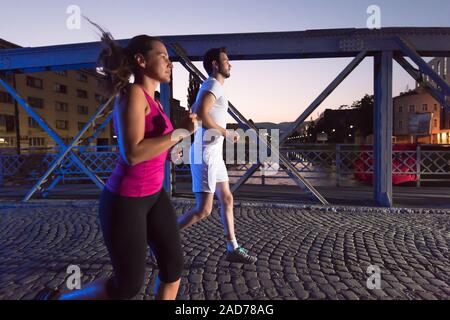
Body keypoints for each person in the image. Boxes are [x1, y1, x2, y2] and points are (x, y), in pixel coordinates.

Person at [35, 25, 197, 300]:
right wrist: (179, 133)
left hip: (155, 195)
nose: (170, 63)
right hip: (126, 201)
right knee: (126, 287)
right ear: (141, 61)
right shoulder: (133, 94)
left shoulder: (157, 103)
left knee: (173, 268)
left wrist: (179, 143)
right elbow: (132, 154)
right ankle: (59, 299)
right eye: (162, 55)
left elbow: (161, 150)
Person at [177, 48, 257, 264]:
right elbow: (202, 115)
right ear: (215, 64)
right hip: (205, 155)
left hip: (213, 153)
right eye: (226, 61)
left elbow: (195, 111)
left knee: (227, 198)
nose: (230, 64)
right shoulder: (212, 84)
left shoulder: (211, 86)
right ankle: (161, 239)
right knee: (203, 209)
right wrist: (225, 132)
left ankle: (232, 248)